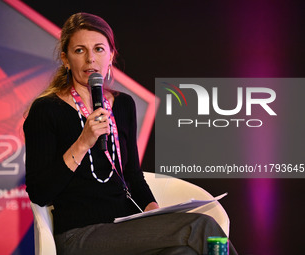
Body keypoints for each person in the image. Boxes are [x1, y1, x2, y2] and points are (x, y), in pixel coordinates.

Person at [23, 12, 237, 255]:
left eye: (99, 49)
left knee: (184, 253)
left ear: (111, 55)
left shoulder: (123, 105)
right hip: (80, 235)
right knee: (201, 225)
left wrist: (155, 211)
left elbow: (133, 175)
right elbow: (40, 192)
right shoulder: (46, 109)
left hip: (128, 228)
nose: (91, 59)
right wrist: (83, 143)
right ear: (66, 58)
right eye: (80, 50)